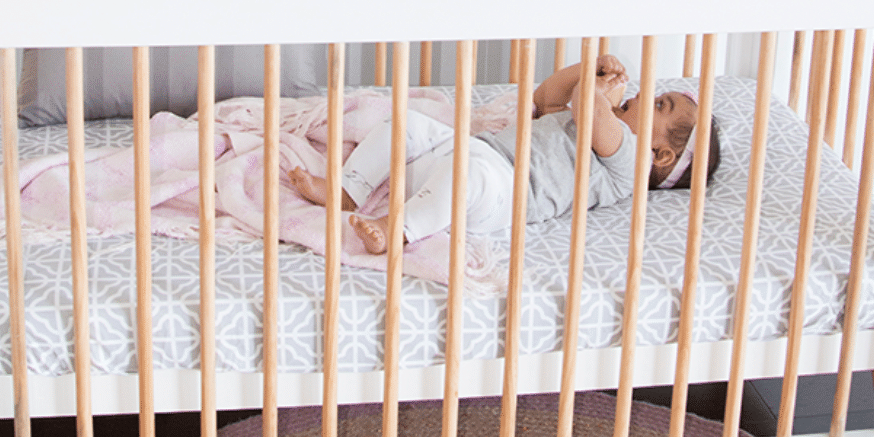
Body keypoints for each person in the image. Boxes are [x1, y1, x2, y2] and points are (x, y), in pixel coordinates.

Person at [288, 54, 721, 255]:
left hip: (503, 192)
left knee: (467, 175)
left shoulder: (627, 161)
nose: (646, 94)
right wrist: (589, 67)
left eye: (659, 105)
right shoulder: (581, 119)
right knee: (407, 124)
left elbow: (588, 109)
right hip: (474, 152)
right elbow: (547, 96)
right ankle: (348, 190)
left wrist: (595, 93)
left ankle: (395, 228)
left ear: (660, 155)